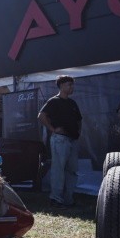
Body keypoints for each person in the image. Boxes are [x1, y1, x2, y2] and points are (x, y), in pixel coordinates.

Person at [38, 75, 82, 209]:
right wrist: (53, 129)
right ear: (61, 86)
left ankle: (69, 199)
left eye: (72, 85)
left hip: (72, 140)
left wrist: (78, 133)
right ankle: (56, 199)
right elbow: (41, 116)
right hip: (60, 139)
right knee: (58, 169)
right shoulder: (53, 101)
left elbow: (79, 119)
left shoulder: (72, 103)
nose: (71, 87)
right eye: (69, 84)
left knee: (72, 170)